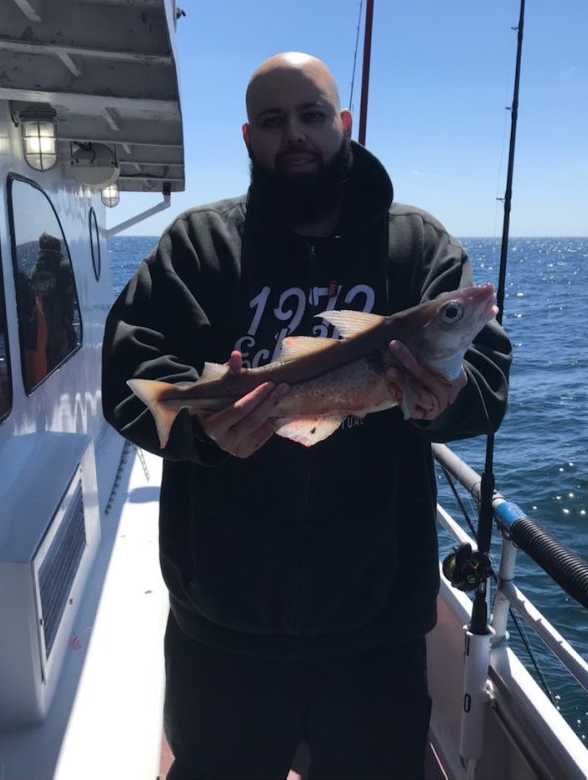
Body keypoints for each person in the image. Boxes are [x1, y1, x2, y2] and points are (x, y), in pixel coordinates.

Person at [102, 52, 512, 780]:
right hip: (224, 618)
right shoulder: (199, 246)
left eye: (312, 115)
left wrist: (443, 402)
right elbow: (130, 374)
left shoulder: (416, 247)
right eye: (273, 121)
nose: (295, 134)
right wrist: (199, 429)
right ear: (248, 137)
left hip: (374, 621)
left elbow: (486, 375)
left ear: (342, 123)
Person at [30, 232, 77, 371]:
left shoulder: (34, 271)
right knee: (65, 371)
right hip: (62, 330)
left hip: (40, 333)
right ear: (58, 245)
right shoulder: (66, 266)